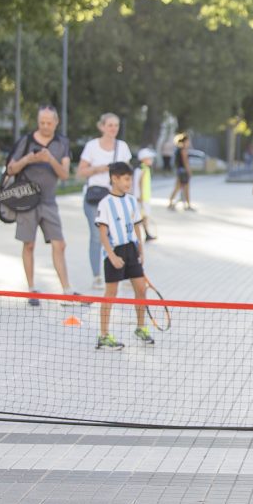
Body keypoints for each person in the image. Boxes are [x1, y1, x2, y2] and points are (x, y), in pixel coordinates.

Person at [8, 105, 78, 306]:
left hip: (49, 201)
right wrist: (28, 158)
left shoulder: (62, 143)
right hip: (27, 201)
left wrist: (50, 160)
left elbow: (65, 175)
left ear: (56, 122)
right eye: (41, 123)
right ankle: (31, 289)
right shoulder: (26, 141)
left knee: (59, 244)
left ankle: (66, 290)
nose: (45, 126)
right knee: (28, 244)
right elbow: (11, 169)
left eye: (49, 122)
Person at [95, 162, 153, 350]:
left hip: (131, 250)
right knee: (110, 294)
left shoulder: (131, 200)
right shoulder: (105, 204)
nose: (129, 182)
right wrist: (111, 256)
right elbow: (102, 233)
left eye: (130, 179)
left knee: (141, 289)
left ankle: (140, 328)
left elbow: (136, 225)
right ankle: (103, 335)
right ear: (114, 178)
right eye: (126, 179)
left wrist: (140, 250)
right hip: (115, 251)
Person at [77, 113, 133, 289]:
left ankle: (120, 274)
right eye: (110, 125)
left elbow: (127, 175)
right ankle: (96, 276)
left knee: (119, 236)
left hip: (115, 199)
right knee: (96, 236)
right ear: (101, 127)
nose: (113, 129)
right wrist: (100, 169)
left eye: (116, 125)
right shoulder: (92, 146)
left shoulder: (122, 147)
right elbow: (80, 172)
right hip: (94, 198)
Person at [134, 148, 157, 241]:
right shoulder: (143, 169)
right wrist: (141, 195)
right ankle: (142, 234)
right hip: (142, 197)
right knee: (142, 216)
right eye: (149, 158)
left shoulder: (142, 168)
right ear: (144, 159)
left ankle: (146, 233)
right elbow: (140, 183)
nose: (151, 160)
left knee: (143, 216)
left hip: (143, 197)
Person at [167, 133, 194, 211]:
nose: (189, 143)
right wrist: (189, 171)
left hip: (179, 171)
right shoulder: (183, 150)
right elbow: (185, 162)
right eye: (188, 141)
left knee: (177, 188)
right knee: (185, 189)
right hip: (184, 172)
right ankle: (187, 205)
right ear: (185, 141)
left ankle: (171, 203)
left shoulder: (178, 149)